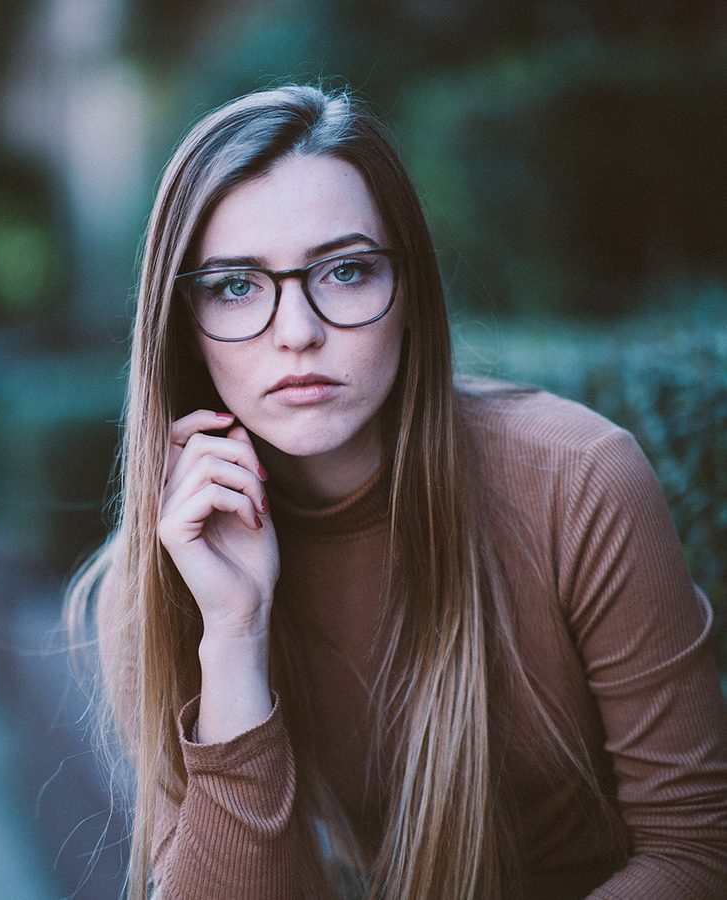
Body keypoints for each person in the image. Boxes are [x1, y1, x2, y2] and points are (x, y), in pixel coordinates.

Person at [66, 84, 727, 899]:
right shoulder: (152, 590)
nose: (297, 329)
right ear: (184, 328)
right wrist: (234, 633)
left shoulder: (579, 481)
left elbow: (697, 853)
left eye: (345, 272)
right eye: (236, 285)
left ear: (409, 293)